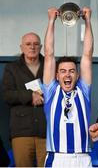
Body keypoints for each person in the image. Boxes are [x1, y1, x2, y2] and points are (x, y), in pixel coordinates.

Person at [41, 6, 94, 168]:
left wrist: (87, 21)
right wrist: (51, 21)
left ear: (77, 75)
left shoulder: (83, 90)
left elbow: (87, 55)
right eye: (63, 71)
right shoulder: (51, 91)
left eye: (72, 71)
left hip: (83, 157)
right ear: (56, 76)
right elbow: (49, 54)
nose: (68, 75)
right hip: (57, 158)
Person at [2, 32, 46, 167]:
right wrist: (30, 96)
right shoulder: (12, 68)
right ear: (21, 47)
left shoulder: (51, 66)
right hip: (21, 131)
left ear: (41, 47)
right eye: (28, 44)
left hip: (47, 130)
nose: (32, 47)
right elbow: (7, 95)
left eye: (35, 44)